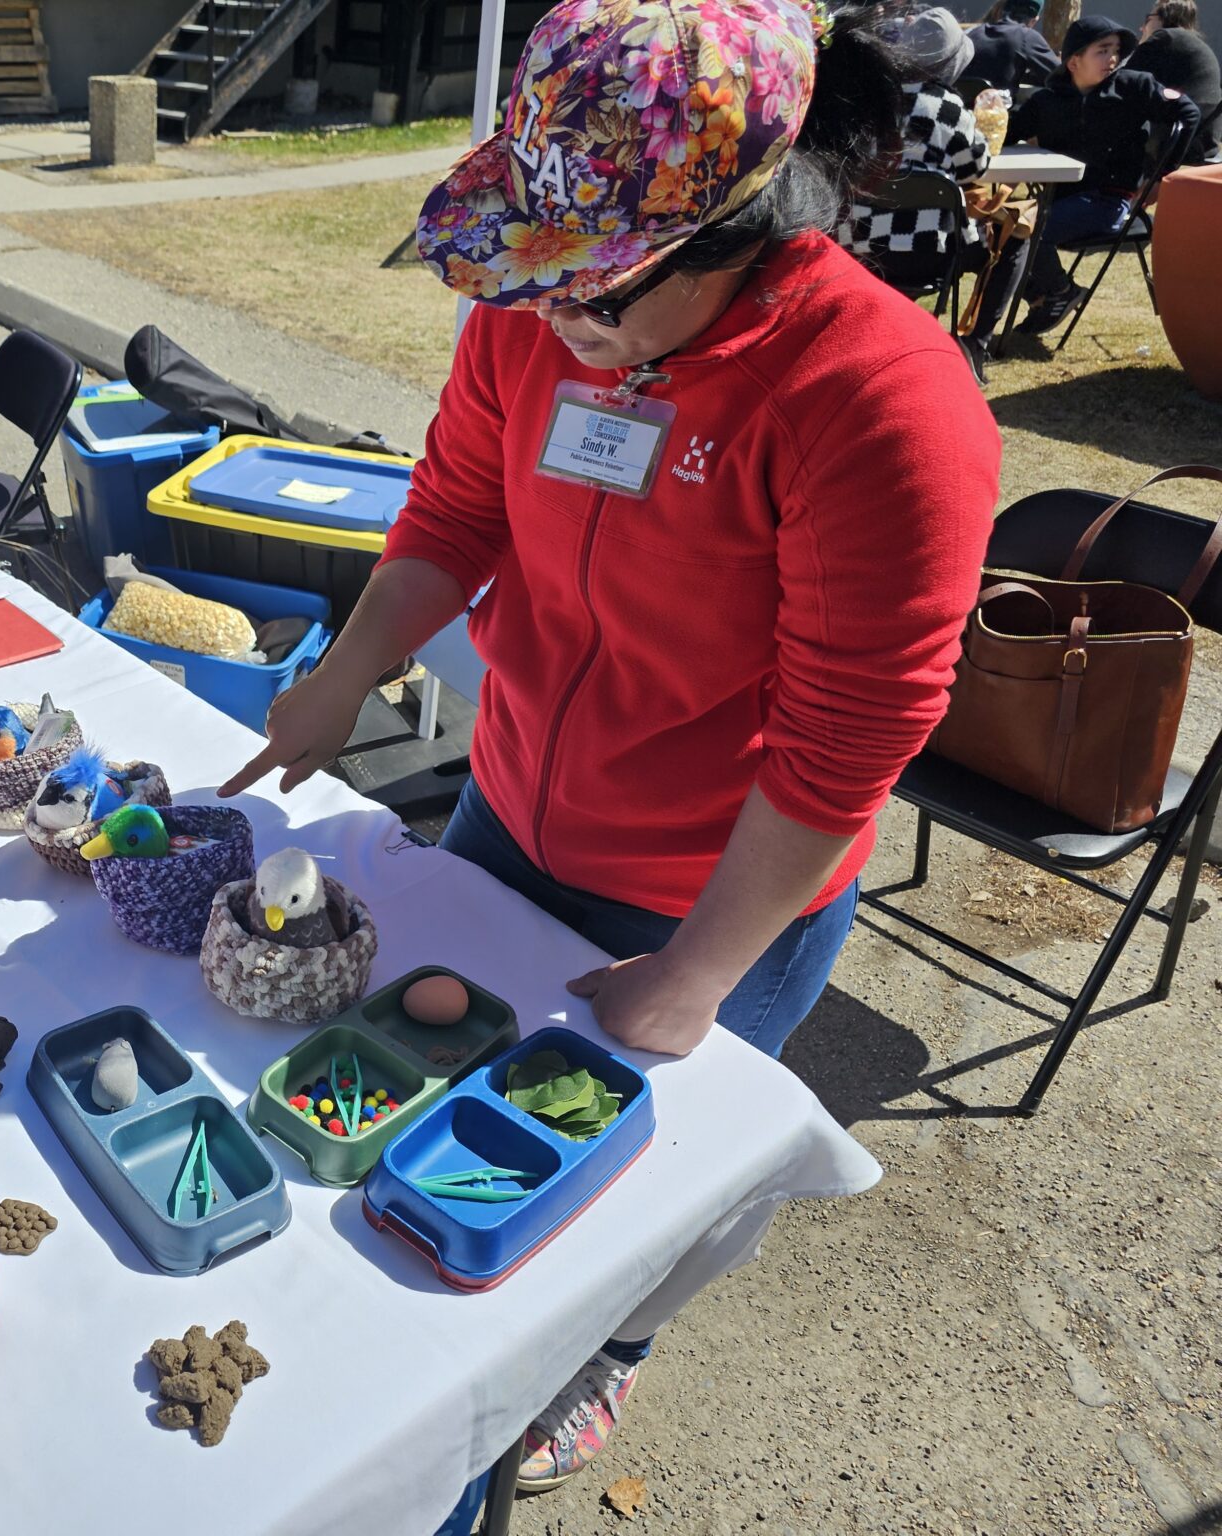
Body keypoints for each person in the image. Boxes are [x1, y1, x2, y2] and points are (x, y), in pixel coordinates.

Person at [223, 0, 998, 1509]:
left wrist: (697, 974)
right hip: (511, 802)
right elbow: (458, 506)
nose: (551, 319)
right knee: (451, 1109)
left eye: (597, 292)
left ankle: (612, 1346)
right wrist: (344, 675)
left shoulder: (876, 395)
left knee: (625, 1183)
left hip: (710, 885)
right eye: (537, 283)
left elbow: (851, 731)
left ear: (738, 229)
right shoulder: (539, 313)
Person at [965, 14, 1202, 345]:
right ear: (1074, 61)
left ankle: (1057, 292)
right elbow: (1006, 132)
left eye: (1115, 51)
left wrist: (1162, 176)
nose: (1113, 59)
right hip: (1058, 199)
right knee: (986, 230)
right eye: (1102, 51)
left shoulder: (1133, 86)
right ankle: (1045, 294)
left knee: (1026, 229)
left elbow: (1188, 113)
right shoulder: (1047, 100)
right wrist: (982, 120)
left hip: (1110, 199)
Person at [840, 9, 991, 264]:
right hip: (930, 249)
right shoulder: (952, 110)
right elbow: (974, 169)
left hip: (861, 247)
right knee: (1011, 236)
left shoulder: (871, 99)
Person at [1129, 0, 1222, 159]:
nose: (1141, 27)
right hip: (1202, 144)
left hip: (1177, 146)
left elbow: (1123, 81)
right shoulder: (1190, 44)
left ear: (1165, 17)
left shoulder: (1165, 37)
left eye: (1148, 19)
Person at [968, 0, 1062, 89]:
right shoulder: (1026, 36)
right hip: (996, 100)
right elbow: (1062, 75)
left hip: (963, 97)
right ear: (1034, 20)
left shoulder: (975, 32)